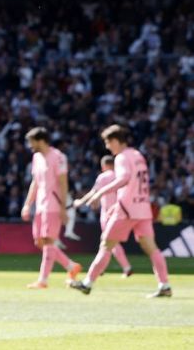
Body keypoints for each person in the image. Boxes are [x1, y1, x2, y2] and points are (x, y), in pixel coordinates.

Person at [70, 125, 172, 298]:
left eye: (108, 142)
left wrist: (101, 193)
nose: (108, 147)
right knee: (152, 248)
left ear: (116, 140)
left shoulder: (122, 157)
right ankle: (164, 285)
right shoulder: (138, 155)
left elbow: (124, 179)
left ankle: (87, 283)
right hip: (143, 208)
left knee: (106, 244)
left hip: (127, 209)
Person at [21, 127, 82, 289]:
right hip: (40, 205)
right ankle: (70, 265)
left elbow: (63, 183)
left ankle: (43, 280)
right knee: (39, 241)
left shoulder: (59, 157)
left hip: (54, 204)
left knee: (49, 241)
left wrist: (63, 208)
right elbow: (35, 183)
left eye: (32, 142)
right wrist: (28, 204)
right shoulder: (36, 158)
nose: (30, 146)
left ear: (41, 141)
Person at [74, 155, 132, 277]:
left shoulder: (103, 176)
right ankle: (102, 268)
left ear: (104, 166)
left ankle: (125, 267)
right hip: (121, 211)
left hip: (107, 213)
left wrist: (81, 201)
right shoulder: (120, 176)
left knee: (109, 242)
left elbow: (94, 192)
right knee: (109, 241)